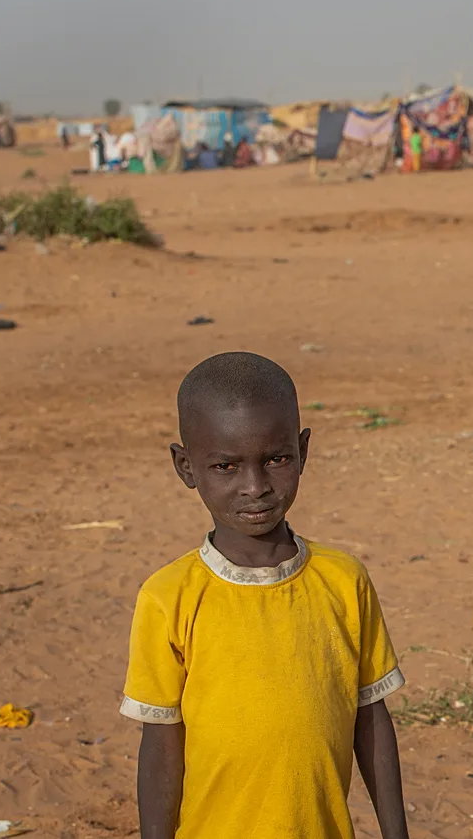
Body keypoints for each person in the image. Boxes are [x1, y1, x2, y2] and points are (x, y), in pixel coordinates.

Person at [121, 352, 410, 839]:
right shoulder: (168, 597)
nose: (255, 487)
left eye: (276, 459)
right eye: (226, 465)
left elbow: (371, 719)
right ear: (186, 466)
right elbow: (162, 743)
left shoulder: (343, 581)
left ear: (303, 451)